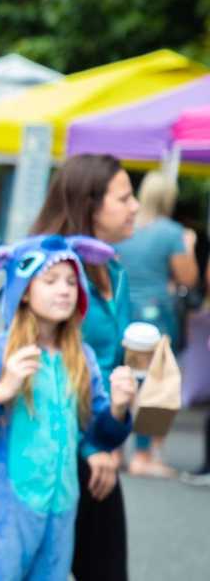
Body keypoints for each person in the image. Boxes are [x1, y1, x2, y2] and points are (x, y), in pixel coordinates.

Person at [0, 235, 135, 580]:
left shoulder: (82, 357)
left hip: (61, 514)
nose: (64, 290)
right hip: (3, 512)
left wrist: (117, 409)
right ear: (24, 290)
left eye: (71, 282)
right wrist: (0, 391)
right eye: (51, 281)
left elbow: (97, 434)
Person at [29, 153, 138, 581]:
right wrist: (92, 447)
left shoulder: (113, 267)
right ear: (90, 204)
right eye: (124, 198)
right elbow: (44, 363)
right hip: (52, 448)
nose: (135, 207)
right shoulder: (53, 271)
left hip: (100, 438)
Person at [114, 170, 196, 478]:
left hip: (122, 308)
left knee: (120, 376)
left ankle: (113, 447)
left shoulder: (123, 228)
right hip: (156, 314)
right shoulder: (172, 233)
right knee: (155, 383)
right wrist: (189, 246)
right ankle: (144, 453)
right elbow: (188, 278)